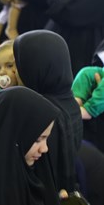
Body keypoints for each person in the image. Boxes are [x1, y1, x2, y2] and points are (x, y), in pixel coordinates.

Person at [13, 30, 82, 195]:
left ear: (35, 67)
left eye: (18, 63)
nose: (14, 71)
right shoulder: (69, 102)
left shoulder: (40, 112)